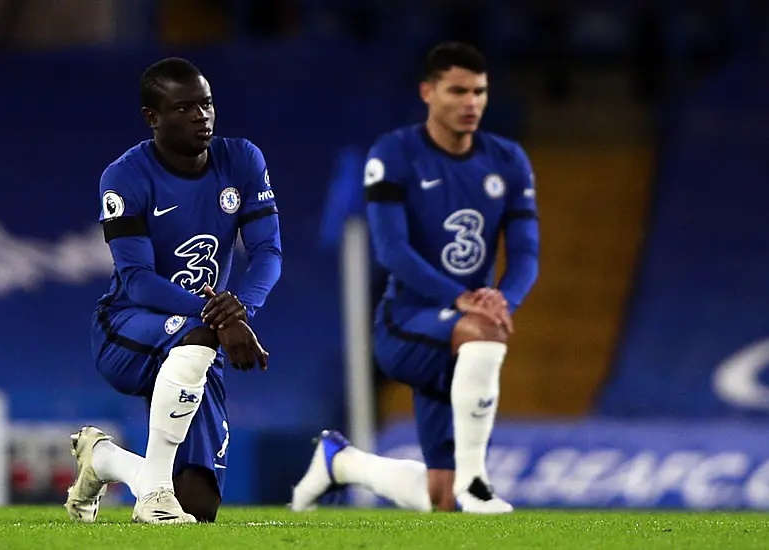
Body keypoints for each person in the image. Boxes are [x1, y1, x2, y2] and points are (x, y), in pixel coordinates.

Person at [291, 42, 538, 514]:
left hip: (462, 334)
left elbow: (526, 253)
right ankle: (477, 483)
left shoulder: (507, 160)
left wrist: (504, 299)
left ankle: (339, 463)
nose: (471, 103)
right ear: (428, 92)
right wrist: (462, 299)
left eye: (480, 92)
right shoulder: (395, 153)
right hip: (406, 323)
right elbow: (392, 250)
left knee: (439, 501)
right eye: (458, 91)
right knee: (481, 333)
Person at [64, 57, 282, 524]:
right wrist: (222, 319)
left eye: (206, 105)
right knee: (196, 336)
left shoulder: (242, 159)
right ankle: (155, 498)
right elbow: (138, 280)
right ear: (152, 117)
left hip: (203, 335)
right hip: (127, 327)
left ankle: (102, 458)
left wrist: (240, 309)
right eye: (184, 108)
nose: (200, 117)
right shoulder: (124, 176)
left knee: (199, 510)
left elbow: (268, 253)